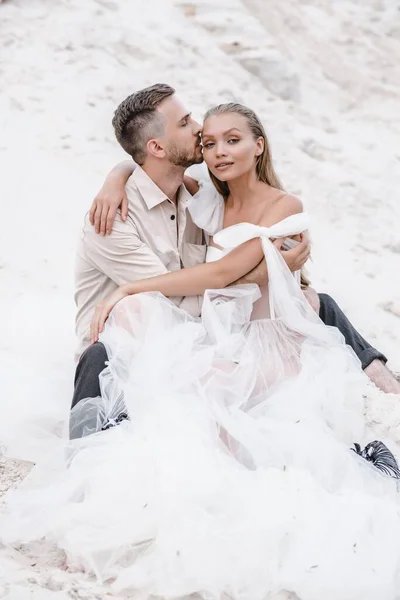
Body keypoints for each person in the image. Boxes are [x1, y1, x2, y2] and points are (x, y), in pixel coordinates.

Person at [4, 94, 400, 600]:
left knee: (313, 306)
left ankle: (376, 374)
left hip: (205, 329)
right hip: (125, 341)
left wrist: (278, 276)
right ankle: (93, 479)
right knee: (138, 337)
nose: (202, 137)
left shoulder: (197, 197)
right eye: (191, 127)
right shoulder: (112, 218)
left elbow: (215, 279)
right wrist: (269, 269)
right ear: (156, 146)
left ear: (258, 146)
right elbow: (186, 292)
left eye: (221, 138)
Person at [85, 99, 400, 397]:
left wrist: (127, 289)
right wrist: (116, 177)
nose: (219, 152)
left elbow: (222, 273)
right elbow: (152, 167)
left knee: (321, 312)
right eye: (209, 144)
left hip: (267, 337)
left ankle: (385, 383)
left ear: (259, 145)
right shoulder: (209, 202)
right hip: (222, 336)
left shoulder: (284, 206)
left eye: (233, 141)